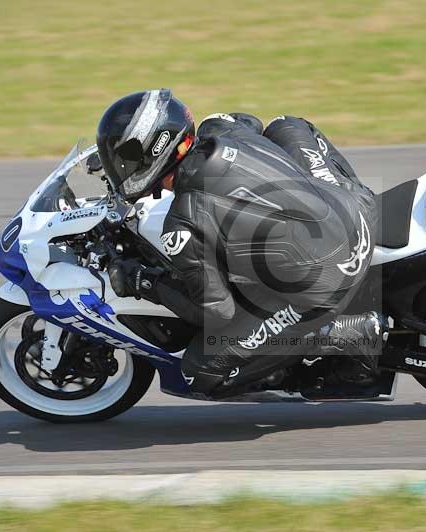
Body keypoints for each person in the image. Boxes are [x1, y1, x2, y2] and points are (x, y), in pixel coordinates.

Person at [97, 89, 384, 398]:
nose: (119, 165)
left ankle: (351, 332)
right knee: (285, 125)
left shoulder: (183, 223)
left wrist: (145, 282)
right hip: (355, 209)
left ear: (152, 153)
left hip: (330, 276)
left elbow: (217, 313)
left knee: (200, 373)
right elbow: (246, 121)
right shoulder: (217, 129)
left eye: (122, 157)